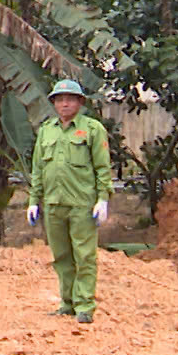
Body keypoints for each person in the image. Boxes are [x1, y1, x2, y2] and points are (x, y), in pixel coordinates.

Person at [27, 79, 111, 324]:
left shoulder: (92, 129)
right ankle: (67, 303)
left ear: (80, 102)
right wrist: (34, 201)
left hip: (82, 206)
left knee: (84, 256)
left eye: (70, 99)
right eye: (60, 99)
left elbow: (102, 167)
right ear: (53, 103)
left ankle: (85, 306)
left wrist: (103, 199)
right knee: (61, 256)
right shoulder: (46, 130)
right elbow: (38, 169)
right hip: (54, 205)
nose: (65, 103)